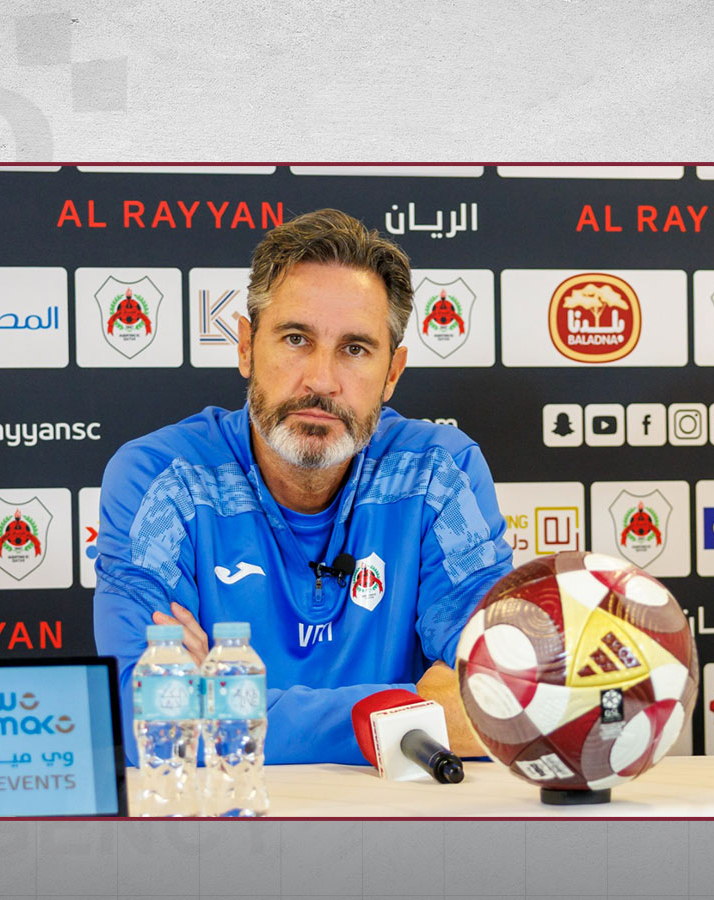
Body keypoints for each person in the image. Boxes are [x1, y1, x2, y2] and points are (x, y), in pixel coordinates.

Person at [93, 209, 512, 765]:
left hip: (405, 809)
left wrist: (220, 703)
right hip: (228, 809)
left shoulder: (440, 472)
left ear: (392, 373)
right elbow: (147, 715)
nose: (321, 380)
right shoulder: (160, 480)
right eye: (296, 339)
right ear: (246, 347)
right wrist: (412, 716)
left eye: (355, 349)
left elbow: (497, 693)